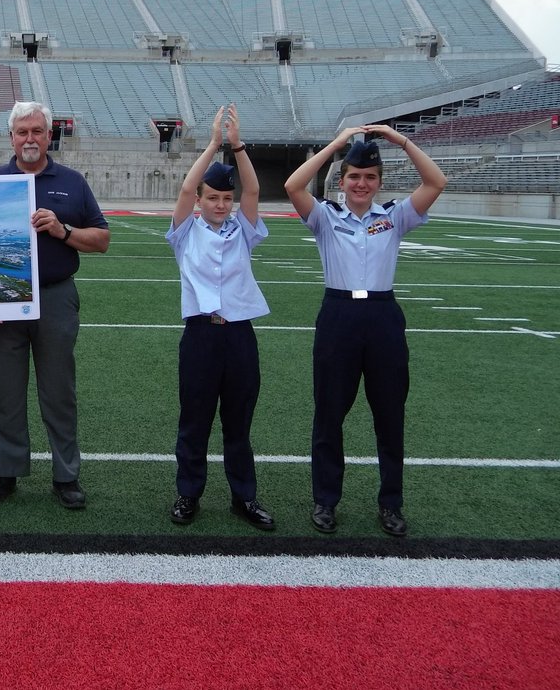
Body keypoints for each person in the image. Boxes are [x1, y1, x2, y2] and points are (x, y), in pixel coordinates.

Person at [284, 124, 447, 537]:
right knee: (329, 414)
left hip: (382, 317)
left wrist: (401, 141)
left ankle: (391, 504)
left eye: (370, 177)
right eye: (354, 176)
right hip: (338, 316)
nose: (361, 183)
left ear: (379, 182)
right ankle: (325, 500)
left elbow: (435, 182)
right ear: (341, 181)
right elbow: (293, 185)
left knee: (390, 415)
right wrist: (336, 145)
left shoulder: (394, 217)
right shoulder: (325, 217)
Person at [0, 101, 110, 510]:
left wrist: (62, 229)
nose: (30, 138)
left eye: (37, 131)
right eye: (22, 132)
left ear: (50, 135)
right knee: (6, 392)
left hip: (55, 297)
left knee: (58, 391)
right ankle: (7, 470)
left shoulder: (72, 181)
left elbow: (101, 240)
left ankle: (66, 475)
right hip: (3, 296)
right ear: (11, 137)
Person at [166, 105, 273, 531]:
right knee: (194, 420)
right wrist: (213, 144)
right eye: (212, 198)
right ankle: (188, 493)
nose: (221, 205)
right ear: (201, 200)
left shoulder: (242, 229)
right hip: (200, 335)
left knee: (238, 423)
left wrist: (238, 146)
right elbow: (184, 189)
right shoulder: (185, 232)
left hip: (240, 336)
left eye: (226, 199)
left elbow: (253, 192)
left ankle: (243, 496)